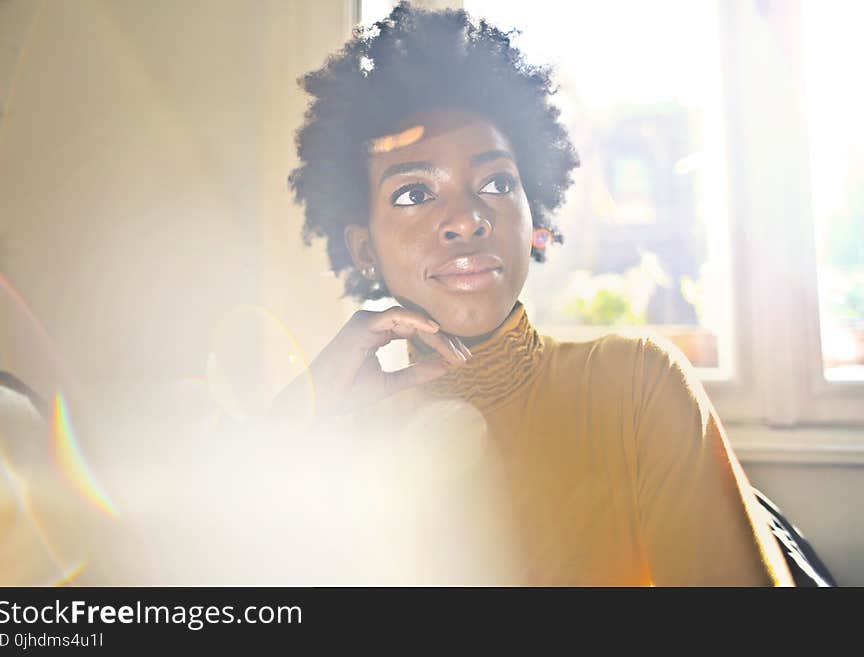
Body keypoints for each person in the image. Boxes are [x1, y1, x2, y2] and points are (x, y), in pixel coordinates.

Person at [272, 1, 794, 586]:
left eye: (496, 183)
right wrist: (300, 417)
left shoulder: (635, 385)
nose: (465, 218)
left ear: (532, 213)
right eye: (414, 193)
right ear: (364, 248)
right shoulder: (338, 436)